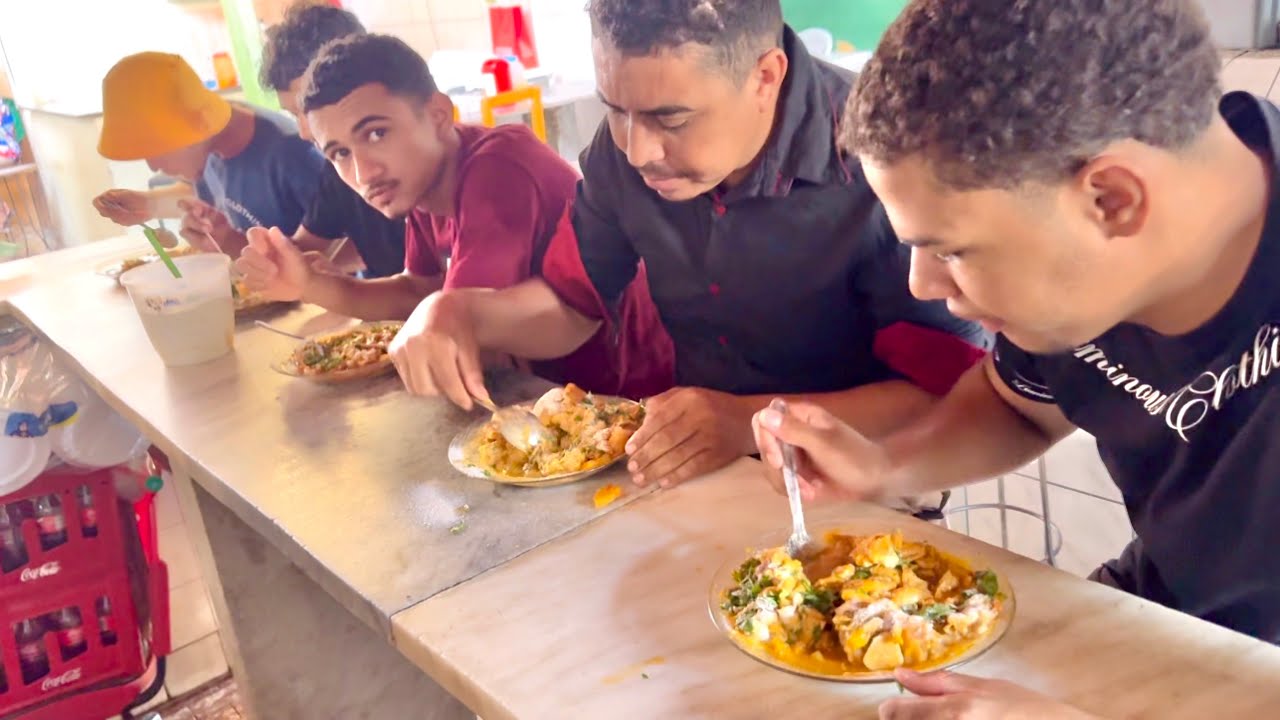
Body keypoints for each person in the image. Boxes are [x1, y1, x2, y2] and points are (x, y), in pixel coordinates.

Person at [753, 0, 1279, 716]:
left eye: (952, 250)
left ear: (1112, 199)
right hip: (1162, 618)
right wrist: (886, 466)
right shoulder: (1092, 265)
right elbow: (1015, 406)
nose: (924, 286)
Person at [392, 0, 987, 490]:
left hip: (869, 471)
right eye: (614, 110)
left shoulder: (880, 159)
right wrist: (461, 311)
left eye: (671, 120)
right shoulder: (623, 149)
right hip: (700, 455)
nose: (637, 150)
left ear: (765, 77)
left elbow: (942, 395)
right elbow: (573, 304)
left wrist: (746, 419)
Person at [237, 34, 672, 398]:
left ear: (439, 115)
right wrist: (311, 284)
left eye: (376, 134)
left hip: (626, 398)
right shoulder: (425, 186)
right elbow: (419, 290)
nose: (362, 172)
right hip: (549, 394)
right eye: (339, 154)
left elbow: (460, 334)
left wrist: (435, 312)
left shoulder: (500, 171)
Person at [93, 52, 325, 256]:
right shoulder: (209, 146)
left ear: (193, 128)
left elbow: (338, 254)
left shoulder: (294, 153)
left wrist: (229, 242)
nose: (153, 166)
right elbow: (214, 194)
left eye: (157, 150)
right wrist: (147, 205)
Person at [256, 0, 406, 278]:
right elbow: (299, 251)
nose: (304, 132)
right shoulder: (338, 170)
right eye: (294, 115)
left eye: (308, 111)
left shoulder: (417, 164)